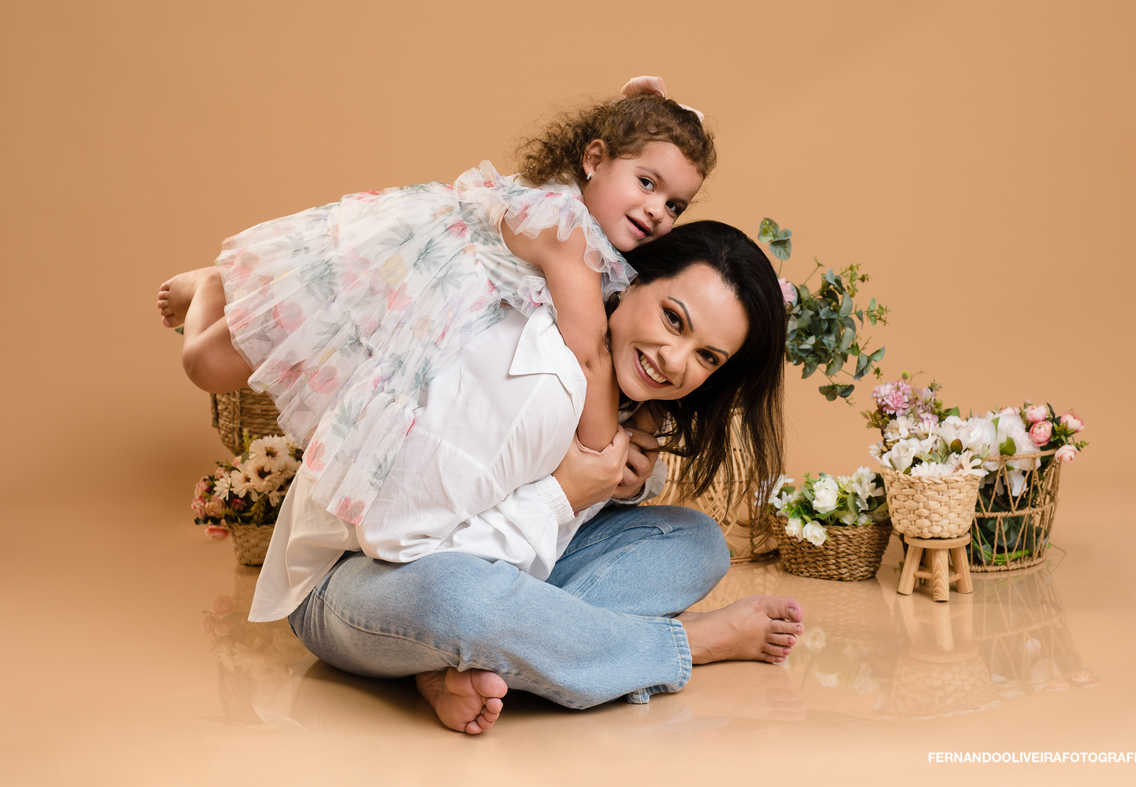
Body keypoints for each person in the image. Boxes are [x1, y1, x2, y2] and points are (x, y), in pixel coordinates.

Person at [238, 221, 802, 735]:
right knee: (460, 602)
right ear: (628, 280)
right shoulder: (537, 381)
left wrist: (621, 480)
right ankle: (676, 647)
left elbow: (531, 528)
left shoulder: (614, 383)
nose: (676, 362)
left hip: (468, 572)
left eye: (707, 357)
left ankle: (465, 660)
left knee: (695, 542)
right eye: (673, 319)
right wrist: (563, 495)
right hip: (353, 583)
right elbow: (398, 545)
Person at [157, 77, 713, 531]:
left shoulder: (596, 229)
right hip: (388, 288)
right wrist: (600, 450)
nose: (658, 210)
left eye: (674, 203)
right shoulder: (568, 231)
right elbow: (588, 348)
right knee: (206, 365)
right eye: (646, 182)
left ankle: (216, 292)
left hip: (417, 312)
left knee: (226, 365)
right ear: (594, 160)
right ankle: (208, 286)